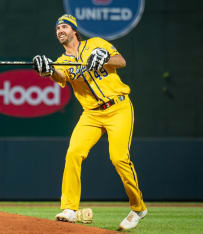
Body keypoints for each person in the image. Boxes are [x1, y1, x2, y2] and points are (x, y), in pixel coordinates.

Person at [32, 14, 147, 230]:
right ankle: (69, 209)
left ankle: (138, 207)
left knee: (119, 158)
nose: (60, 30)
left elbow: (121, 61)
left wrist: (103, 57)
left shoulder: (95, 44)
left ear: (74, 30)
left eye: (64, 26)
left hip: (118, 107)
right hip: (91, 114)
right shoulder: (63, 60)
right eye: (57, 28)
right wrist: (48, 71)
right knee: (74, 152)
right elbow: (60, 77)